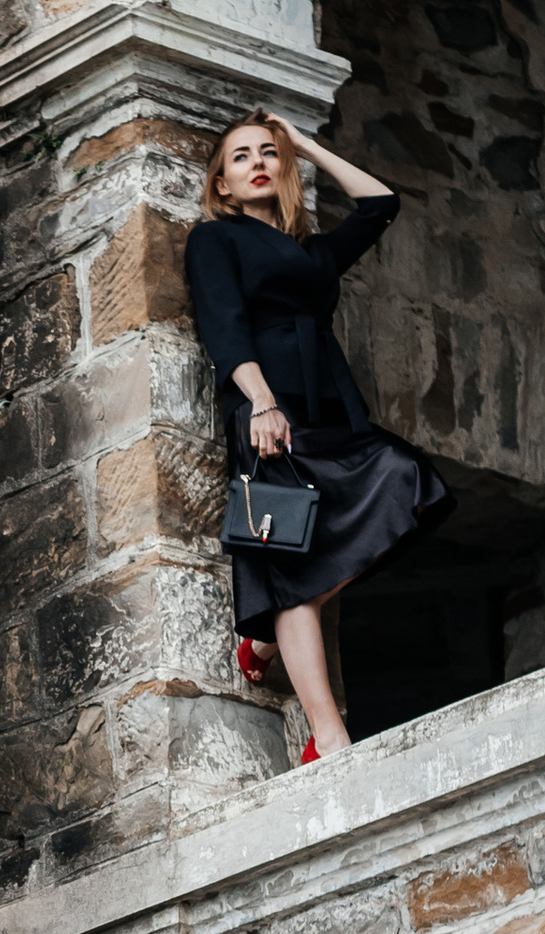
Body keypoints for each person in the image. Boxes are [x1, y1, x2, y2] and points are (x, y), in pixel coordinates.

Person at [185, 114, 451, 764]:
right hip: (267, 420)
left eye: (267, 153)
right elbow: (224, 329)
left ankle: (267, 641)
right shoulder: (215, 241)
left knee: (408, 481)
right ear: (221, 182)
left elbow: (380, 204)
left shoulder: (313, 251)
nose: (257, 162)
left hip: (331, 412)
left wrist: (304, 145)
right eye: (240, 156)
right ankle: (327, 739)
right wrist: (261, 404)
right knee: (292, 573)